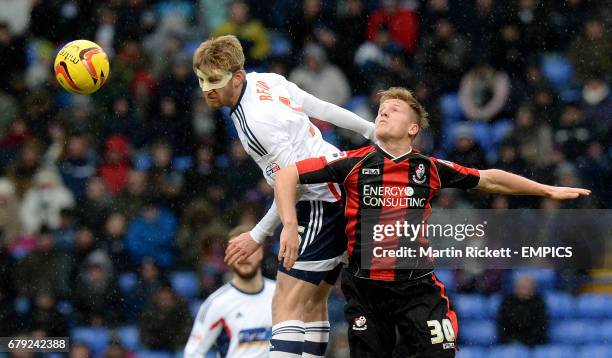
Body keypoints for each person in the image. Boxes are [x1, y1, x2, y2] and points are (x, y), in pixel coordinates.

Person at [274, 87, 590, 357]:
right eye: (381, 110)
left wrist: (546, 189)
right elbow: (288, 174)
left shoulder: (429, 168)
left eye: (393, 110)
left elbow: (490, 180)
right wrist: (289, 224)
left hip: (416, 287)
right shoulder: (352, 162)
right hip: (366, 287)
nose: (382, 114)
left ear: (413, 128)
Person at [194, 35, 376, 357]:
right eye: (201, 80)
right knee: (314, 300)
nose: (206, 88)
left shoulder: (255, 123)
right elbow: (320, 108)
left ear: (237, 77)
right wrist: (369, 130)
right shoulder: (267, 80)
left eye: (214, 80)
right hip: (340, 188)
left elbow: (292, 182)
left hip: (320, 200)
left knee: (285, 301)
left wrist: (259, 234)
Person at [184, 225, 275, 358]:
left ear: (261, 251)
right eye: (236, 250)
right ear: (227, 254)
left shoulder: (281, 294)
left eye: (251, 249)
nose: (243, 256)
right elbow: (193, 353)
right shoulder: (217, 303)